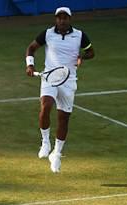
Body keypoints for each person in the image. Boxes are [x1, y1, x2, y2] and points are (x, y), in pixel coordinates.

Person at [25, 7, 94, 173]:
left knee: (63, 119)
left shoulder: (79, 35)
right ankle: (45, 142)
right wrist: (30, 64)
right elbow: (31, 48)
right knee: (46, 105)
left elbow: (91, 52)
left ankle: (56, 153)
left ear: (69, 19)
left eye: (65, 18)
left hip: (69, 81)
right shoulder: (47, 34)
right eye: (59, 18)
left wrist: (81, 57)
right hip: (49, 78)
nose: (62, 20)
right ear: (56, 19)